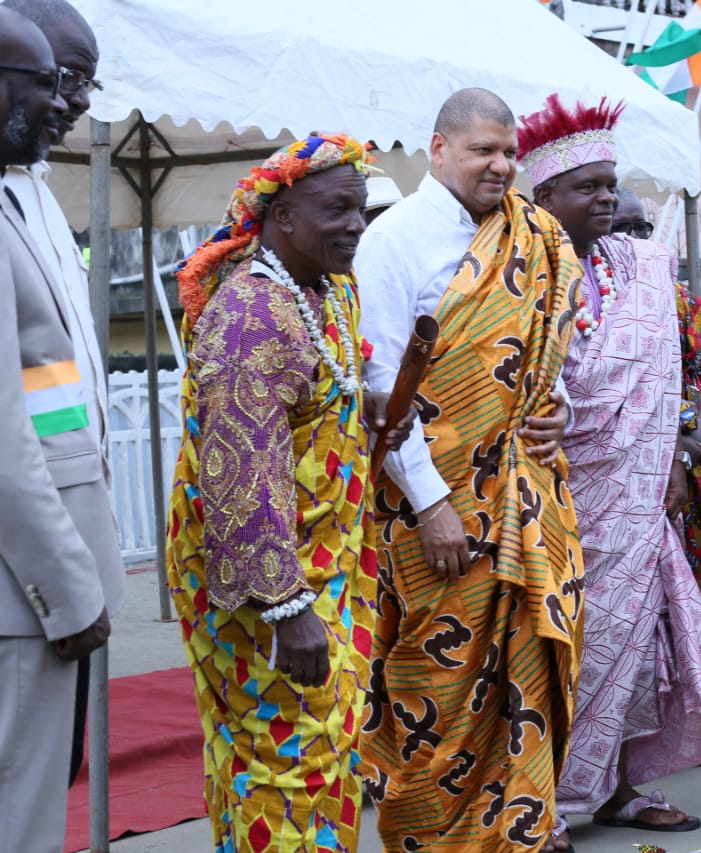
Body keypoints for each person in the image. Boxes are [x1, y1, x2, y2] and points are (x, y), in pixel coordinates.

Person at [354, 88, 584, 853]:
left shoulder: (537, 235)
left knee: (527, 653)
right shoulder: (393, 240)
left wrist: (562, 414)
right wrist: (431, 503)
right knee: (437, 679)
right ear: (438, 148)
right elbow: (380, 386)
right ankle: (437, 834)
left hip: (526, 492)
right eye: (484, 150)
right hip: (436, 504)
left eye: (510, 151)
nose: (501, 165)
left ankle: (525, 821)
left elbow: (550, 364)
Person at [167, 133, 406, 852]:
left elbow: (316, 392)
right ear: (282, 216)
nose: (356, 227)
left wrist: (365, 403)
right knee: (289, 758)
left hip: (324, 562)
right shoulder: (251, 313)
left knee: (319, 755)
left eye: (361, 211)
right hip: (271, 584)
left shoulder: (325, 290)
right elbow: (239, 468)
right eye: (337, 210)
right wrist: (286, 606)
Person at [519, 94, 701, 838]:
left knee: (635, 645)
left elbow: (683, 373)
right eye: (587, 185)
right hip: (549, 502)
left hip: (638, 498)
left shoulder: (645, 269)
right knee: (551, 652)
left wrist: (679, 451)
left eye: (610, 181)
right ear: (544, 197)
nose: (606, 196)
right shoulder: (513, 275)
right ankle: (543, 801)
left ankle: (619, 786)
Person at [0, 11, 122, 852]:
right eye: (46, 81)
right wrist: (65, 586)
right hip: (25, 589)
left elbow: (54, 388)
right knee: (23, 816)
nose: (63, 103)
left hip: (48, 568)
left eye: (72, 82)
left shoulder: (30, 192)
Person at [613, 187, 701, 685]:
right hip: (614, 475)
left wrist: (685, 437)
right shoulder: (584, 298)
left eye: (641, 228)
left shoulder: (679, 302)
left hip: (678, 477)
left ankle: (696, 704)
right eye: (619, 227)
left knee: (686, 589)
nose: (632, 238)